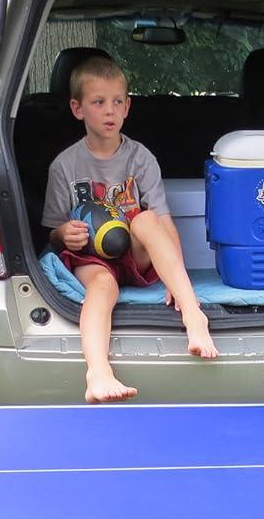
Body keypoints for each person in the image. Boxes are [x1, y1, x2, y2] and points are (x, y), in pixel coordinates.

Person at [41, 56, 217, 402]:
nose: (110, 110)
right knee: (102, 287)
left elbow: (163, 219)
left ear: (128, 107)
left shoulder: (141, 158)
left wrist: (175, 276)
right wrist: (64, 235)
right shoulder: (65, 165)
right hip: (92, 258)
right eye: (99, 102)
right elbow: (51, 230)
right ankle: (98, 372)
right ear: (78, 109)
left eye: (118, 102)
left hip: (134, 256)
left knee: (146, 219)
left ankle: (194, 317)